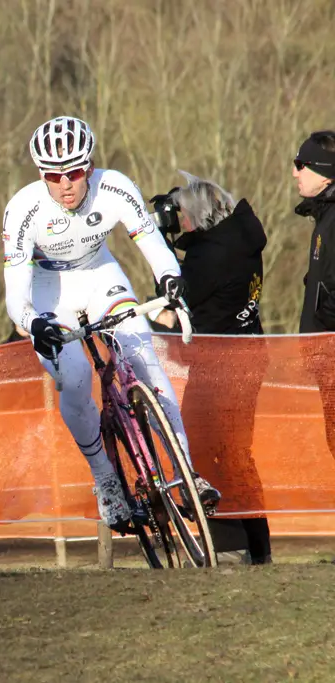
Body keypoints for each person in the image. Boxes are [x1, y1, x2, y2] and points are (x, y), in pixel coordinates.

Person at [1, 116, 220, 530]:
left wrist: (169, 277)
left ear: (91, 165)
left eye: (75, 172)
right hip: (50, 292)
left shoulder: (114, 186)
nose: (65, 184)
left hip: (101, 275)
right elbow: (16, 292)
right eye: (53, 175)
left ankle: (186, 474)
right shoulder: (23, 209)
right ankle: (104, 479)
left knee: (148, 364)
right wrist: (33, 323)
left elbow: (151, 242)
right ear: (41, 175)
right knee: (78, 376)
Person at [150, 172, 271, 565]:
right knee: (237, 454)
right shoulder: (241, 240)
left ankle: (228, 547)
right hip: (248, 356)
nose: (179, 222)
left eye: (183, 215)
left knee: (206, 452)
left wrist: (163, 252)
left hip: (220, 368)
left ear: (198, 216)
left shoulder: (210, 257)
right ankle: (257, 547)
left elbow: (174, 300)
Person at [295, 131, 335, 333]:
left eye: (301, 165)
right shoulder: (325, 215)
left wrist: (320, 325)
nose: (295, 173)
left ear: (324, 174)